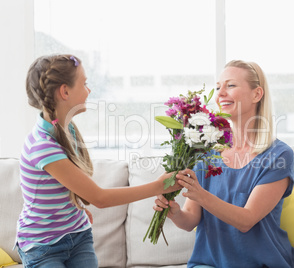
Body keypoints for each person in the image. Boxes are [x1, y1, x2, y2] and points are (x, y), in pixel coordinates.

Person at [16, 54, 181, 268]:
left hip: (78, 236)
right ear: (65, 92)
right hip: (43, 245)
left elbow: (64, 184)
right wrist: (159, 186)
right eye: (84, 84)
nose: (89, 90)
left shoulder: (66, 128)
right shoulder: (43, 146)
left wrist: (73, 208)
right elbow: (99, 198)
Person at [154, 60, 294, 268]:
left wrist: (200, 194)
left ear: (257, 94)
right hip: (209, 264)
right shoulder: (206, 152)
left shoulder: (278, 155)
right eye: (218, 87)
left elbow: (246, 220)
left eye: (230, 85)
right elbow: (190, 221)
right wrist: (173, 212)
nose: (220, 93)